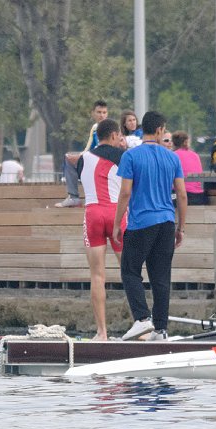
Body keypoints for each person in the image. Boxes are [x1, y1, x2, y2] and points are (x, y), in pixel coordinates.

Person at [114, 111, 188, 340]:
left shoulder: (130, 156)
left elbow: (125, 192)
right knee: (161, 277)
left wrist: (117, 223)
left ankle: (142, 319)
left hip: (141, 222)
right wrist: (180, 228)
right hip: (166, 222)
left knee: (129, 270)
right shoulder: (173, 158)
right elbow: (182, 195)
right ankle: (161, 330)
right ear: (158, 130)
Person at [76, 118, 127, 341]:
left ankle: (101, 332)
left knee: (97, 276)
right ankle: (142, 330)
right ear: (114, 135)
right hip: (116, 214)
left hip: (93, 214)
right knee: (130, 273)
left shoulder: (82, 159)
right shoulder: (124, 157)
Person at [57, 100, 108, 207]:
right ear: (93, 113)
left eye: (104, 112)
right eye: (99, 112)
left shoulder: (111, 127)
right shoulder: (94, 128)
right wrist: (79, 156)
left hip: (107, 162)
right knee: (68, 157)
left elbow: (107, 149)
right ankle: (73, 197)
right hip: (93, 159)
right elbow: (88, 148)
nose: (102, 115)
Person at [171, 132, 205, 205]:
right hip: (199, 196)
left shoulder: (173, 155)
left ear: (173, 143)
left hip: (183, 195)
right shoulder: (195, 155)